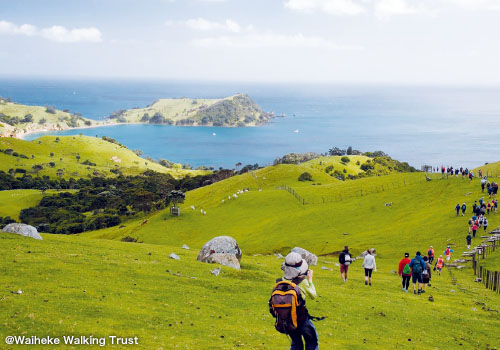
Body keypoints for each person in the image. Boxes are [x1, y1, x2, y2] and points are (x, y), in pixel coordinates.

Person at [277, 252, 318, 350]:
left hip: (287, 320)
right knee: (312, 341)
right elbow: (313, 295)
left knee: (296, 343)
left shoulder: (280, 281)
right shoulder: (302, 282)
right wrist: (310, 280)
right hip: (301, 319)